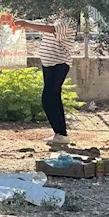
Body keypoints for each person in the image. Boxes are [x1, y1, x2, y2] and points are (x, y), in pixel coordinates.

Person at [13, 14, 76, 145]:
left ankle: (61, 133)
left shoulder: (69, 20)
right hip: (49, 64)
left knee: (48, 99)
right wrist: (24, 23)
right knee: (54, 99)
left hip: (59, 64)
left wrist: (27, 24)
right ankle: (60, 134)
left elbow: (52, 29)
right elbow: (42, 22)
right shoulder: (55, 17)